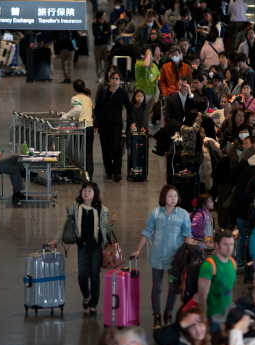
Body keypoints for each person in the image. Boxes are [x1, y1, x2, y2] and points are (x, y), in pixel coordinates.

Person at [132, 185, 193, 330]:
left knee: (173, 287)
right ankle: (157, 316)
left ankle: (168, 313)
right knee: (157, 287)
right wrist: (138, 250)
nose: (173, 199)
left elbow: (187, 234)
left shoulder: (183, 214)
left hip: (174, 259)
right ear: (164, 197)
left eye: (175, 196)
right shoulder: (156, 213)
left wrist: (186, 253)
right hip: (157, 256)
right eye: (170, 196)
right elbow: (147, 232)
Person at [50, 182, 117, 315]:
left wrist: (110, 223)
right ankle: (86, 296)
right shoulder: (76, 207)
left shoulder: (102, 209)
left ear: (95, 194)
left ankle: (93, 304)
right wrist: (56, 239)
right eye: (84, 190)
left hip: (97, 247)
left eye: (89, 191)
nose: (86, 192)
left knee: (95, 276)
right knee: (82, 275)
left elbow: (105, 231)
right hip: (83, 247)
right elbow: (65, 224)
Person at [94, 71, 134, 182]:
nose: (114, 80)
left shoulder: (123, 93)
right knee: (105, 148)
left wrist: (132, 122)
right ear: (109, 80)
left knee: (116, 148)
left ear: (120, 81)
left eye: (117, 78)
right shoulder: (104, 91)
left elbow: (129, 108)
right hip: (104, 124)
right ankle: (108, 171)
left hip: (116, 124)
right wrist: (96, 121)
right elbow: (97, 107)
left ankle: (117, 172)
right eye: (112, 78)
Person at [198, 230, 237, 333]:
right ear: (216, 245)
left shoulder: (233, 263)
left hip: (227, 316)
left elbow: (230, 289)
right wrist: (204, 321)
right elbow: (202, 297)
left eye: (231, 244)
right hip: (212, 318)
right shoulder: (208, 266)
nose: (229, 248)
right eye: (225, 244)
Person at [59, 79, 96, 180]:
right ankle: (89, 175)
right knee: (88, 152)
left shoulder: (75, 98)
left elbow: (78, 109)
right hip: (89, 127)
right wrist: (67, 113)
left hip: (80, 128)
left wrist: (66, 116)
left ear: (74, 89)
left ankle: (76, 173)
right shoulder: (88, 99)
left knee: (77, 151)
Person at [135, 47, 160, 125]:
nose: (151, 57)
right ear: (143, 56)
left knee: (149, 112)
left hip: (152, 92)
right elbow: (146, 64)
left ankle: (146, 128)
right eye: (149, 55)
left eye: (151, 55)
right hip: (142, 93)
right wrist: (148, 53)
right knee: (141, 112)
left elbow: (159, 76)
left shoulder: (154, 66)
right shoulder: (139, 64)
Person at [181, 106, 205, 173]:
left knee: (197, 175)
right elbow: (193, 130)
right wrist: (198, 119)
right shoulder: (184, 128)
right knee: (189, 174)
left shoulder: (200, 128)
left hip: (198, 154)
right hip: (188, 156)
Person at [93, 10, 112, 82]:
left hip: (106, 44)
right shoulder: (95, 24)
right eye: (103, 15)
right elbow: (95, 33)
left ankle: (107, 75)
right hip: (98, 45)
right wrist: (103, 33)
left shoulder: (107, 23)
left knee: (107, 60)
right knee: (98, 61)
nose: (105, 16)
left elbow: (108, 33)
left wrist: (101, 35)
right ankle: (99, 76)